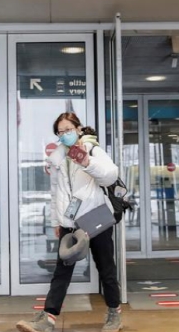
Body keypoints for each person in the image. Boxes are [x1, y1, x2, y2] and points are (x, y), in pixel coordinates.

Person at [16, 112, 123, 332]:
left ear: (78, 128)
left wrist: (86, 161)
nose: (64, 134)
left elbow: (110, 176)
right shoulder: (57, 158)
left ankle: (114, 313)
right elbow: (55, 192)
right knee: (61, 271)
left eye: (68, 129)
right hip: (70, 222)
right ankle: (48, 318)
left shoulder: (92, 149)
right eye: (60, 131)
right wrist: (56, 221)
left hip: (95, 218)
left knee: (106, 268)